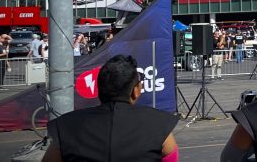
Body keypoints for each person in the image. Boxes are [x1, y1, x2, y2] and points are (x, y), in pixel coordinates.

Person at [42, 54, 179, 162]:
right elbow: (171, 156)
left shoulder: (66, 126)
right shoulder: (159, 124)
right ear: (135, 91)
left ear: (99, 89)